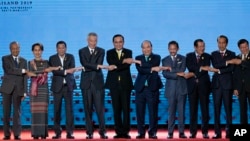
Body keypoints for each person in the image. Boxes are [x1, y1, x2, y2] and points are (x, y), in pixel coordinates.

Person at [0, 41, 34, 140]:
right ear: (10, 49)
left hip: (18, 90)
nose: (15, 50)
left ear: (19, 48)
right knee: (6, 112)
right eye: (13, 48)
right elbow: (9, 70)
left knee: (17, 112)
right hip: (7, 89)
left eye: (17, 48)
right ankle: (6, 134)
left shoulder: (24, 60)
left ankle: (17, 134)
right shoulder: (5, 58)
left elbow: (25, 78)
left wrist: (25, 91)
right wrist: (23, 71)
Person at [79, 32, 108, 139]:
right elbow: (84, 63)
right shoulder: (82, 51)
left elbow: (97, 64)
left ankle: (102, 131)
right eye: (91, 40)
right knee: (88, 109)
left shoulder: (101, 50)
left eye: (95, 40)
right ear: (87, 40)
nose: (93, 43)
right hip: (86, 84)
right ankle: (89, 132)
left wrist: (93, 66)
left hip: (98, 84)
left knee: (100, 109)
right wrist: (96, 65)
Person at [29, 43, 60, 139]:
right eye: (35, 50)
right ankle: (35, 134)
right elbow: (30, 74)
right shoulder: (30, 63)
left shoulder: (46, 62)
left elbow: (49, 69)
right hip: (34, 90)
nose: (37, 52)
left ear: (42, 51)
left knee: (43, 112)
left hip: (43, 90)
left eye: (39, 50)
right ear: (33, 51)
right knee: (35, 113)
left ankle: (43, 134)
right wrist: (44, 71)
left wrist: (52, 68)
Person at [105, 34, 133, 139]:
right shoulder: (109, 52)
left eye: (120, 41)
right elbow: (111, 62)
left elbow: (125, 66)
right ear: (113, 43)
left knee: (126, 109)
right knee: (116, 109)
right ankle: (118, 131)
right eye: (116, 42)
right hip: (114, 85)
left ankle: (125, 132)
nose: (118, 44)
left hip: (126, 84)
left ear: (123, 42)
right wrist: (124, 61)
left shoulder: (129, 52)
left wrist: (119, 64)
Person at [134, 40, 163, 139]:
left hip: (152, 88)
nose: (146, 49)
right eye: (144, 47)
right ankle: (141, 132)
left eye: (148, 47)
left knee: (153, 112)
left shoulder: (157, 57)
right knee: (139, 112)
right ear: (141, 49)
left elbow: (149, 66)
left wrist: (141, 64)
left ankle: (152, 132)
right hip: (140, 88)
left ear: (151, 47)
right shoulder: (138, 58)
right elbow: (141, 70)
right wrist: (151, 69)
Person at [49, 41, 77, 139]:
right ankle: (57, 132)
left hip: (68, 86)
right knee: (57, 110)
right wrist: (65, 71)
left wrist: (63, 71)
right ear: (56, 49)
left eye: (63, 47)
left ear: (66, 48)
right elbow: (54, 72)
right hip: (57, 87)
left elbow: (72, 70)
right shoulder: (52, 58)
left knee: (69, 110)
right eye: (59, 48)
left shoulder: (70, 57)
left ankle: (70, 132)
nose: (61, 49)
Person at [209, 35, 235, 139]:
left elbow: (231, 68)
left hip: (227, 85)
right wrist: (227, 62)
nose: (221, 44)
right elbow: (216, 64)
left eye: (223, 42)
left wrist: (219, 70)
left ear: (227, 43)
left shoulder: (232, 54)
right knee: (216, 109)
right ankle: (217, 132)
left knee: (228, 109)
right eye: (219, 42)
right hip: (216, 86)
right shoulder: (213, 54)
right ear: (217, 43)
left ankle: (229, 131)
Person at [162, 40, 187, 139]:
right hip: (170, 89)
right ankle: (170, 132)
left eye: (174, 49)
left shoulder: (183, 58)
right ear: (168, 49)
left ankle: (181, 132)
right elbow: (165, 74)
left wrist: (171, 69)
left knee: (181, 112)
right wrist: (176, 73)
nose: (172, 51)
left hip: (182, 89)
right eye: (171, 49)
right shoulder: (164, 60)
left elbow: (183, 69)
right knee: (171, 112)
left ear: (178, 49)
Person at [186, 39, 211, 139]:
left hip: (204, 86)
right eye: (200, 46)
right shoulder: (189, 56)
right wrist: (200, 68)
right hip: (192, 86)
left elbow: (206, 69)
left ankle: (205, 132)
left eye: (203, 46)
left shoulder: (208, 56)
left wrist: (195, 71)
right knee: (193, 110)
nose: (202, 48)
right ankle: (193, 132)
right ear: (195, 47)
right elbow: (190, 67)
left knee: (205, 109)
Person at [227, 39, 250, 125]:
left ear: (248, 46)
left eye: (246, 46)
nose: (244, 49)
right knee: (242, 110)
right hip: (241, 88)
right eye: (242, 47)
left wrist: (241, 62)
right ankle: (243, 129)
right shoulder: (237, 58)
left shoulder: (238, 60)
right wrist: (235, 88)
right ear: (239, 48)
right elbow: (235, 75)